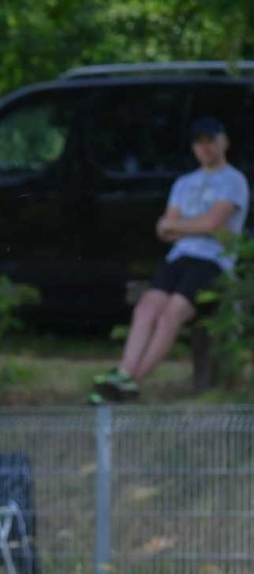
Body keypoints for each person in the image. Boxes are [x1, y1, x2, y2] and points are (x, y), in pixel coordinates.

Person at [91, 116, 249, 403]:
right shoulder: (184, 183)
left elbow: (214, 224)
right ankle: (124, 373)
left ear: (223, 142)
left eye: (210, 141)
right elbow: (163, 228)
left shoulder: (233, 181)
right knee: (146, 309)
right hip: (180, 257)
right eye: (199, 143)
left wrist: (183, 226)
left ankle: (132, 384)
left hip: (212, 263)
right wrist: (192, 225)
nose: (205, 149)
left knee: (171, 313)